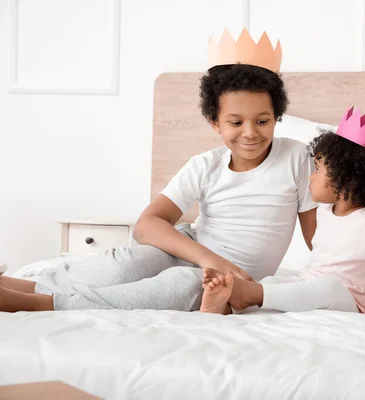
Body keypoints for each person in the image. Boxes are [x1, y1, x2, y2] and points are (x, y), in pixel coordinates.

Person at [0, 29, 318, 313]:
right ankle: (28, 286)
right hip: (193, 250)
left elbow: (315, 235)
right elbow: (146, 225)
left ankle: (41, 304)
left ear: (277, 117)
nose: (249, 133)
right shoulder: (206, 165)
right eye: (236, 122)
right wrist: (211, 258)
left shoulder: (297, 158)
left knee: (182, 285)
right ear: (215, 123)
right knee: (131, 263)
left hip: (223, 281)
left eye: (262, 121)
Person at [199, 106, 365, 317]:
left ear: (347, 180)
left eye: (318, 169)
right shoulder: (324, 211)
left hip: (349, 302)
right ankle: (228, 307)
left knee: (328, 287)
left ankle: (248, 294)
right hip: (308, 283)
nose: (311, 176)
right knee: (274, 282)